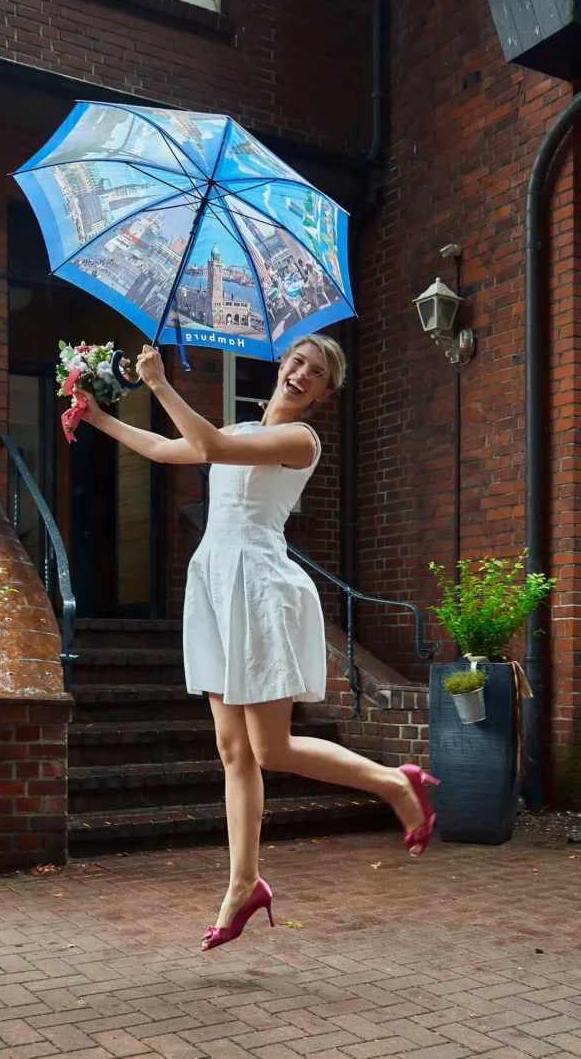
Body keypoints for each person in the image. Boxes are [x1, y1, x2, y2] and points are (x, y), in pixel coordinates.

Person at [77, 333, 438, 953]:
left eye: (316, 372)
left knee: (269, 749)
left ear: (325, 391)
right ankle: (244, 883)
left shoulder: (301, 441)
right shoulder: (245, 425)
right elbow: (168, 449)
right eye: (297, 361)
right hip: (215, 584)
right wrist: (98, 415)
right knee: (232, 750)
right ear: (283, 363)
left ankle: (393, 781)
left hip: (257, 586)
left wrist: (161, 383)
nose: (300, 373)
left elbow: (209, 445)